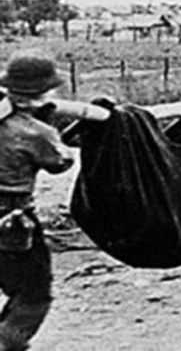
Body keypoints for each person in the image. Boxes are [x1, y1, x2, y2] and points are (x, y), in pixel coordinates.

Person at [0, 51, 75, 350]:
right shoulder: (35, 132)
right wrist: (47, 125)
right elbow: (61, 162)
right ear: (43, 92)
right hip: (12, 222)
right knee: (34, 295)